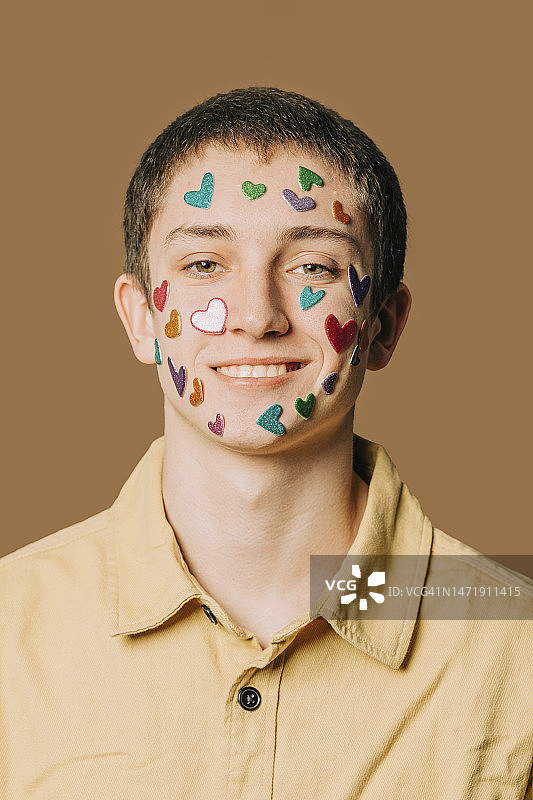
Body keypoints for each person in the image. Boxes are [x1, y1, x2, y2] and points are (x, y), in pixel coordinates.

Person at [1, 87, 531, 799]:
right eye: (203, 265)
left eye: (312, 266)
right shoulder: (11, 628)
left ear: (382, 325)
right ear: (140, 318)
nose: (256, 316)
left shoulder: (515, 650)